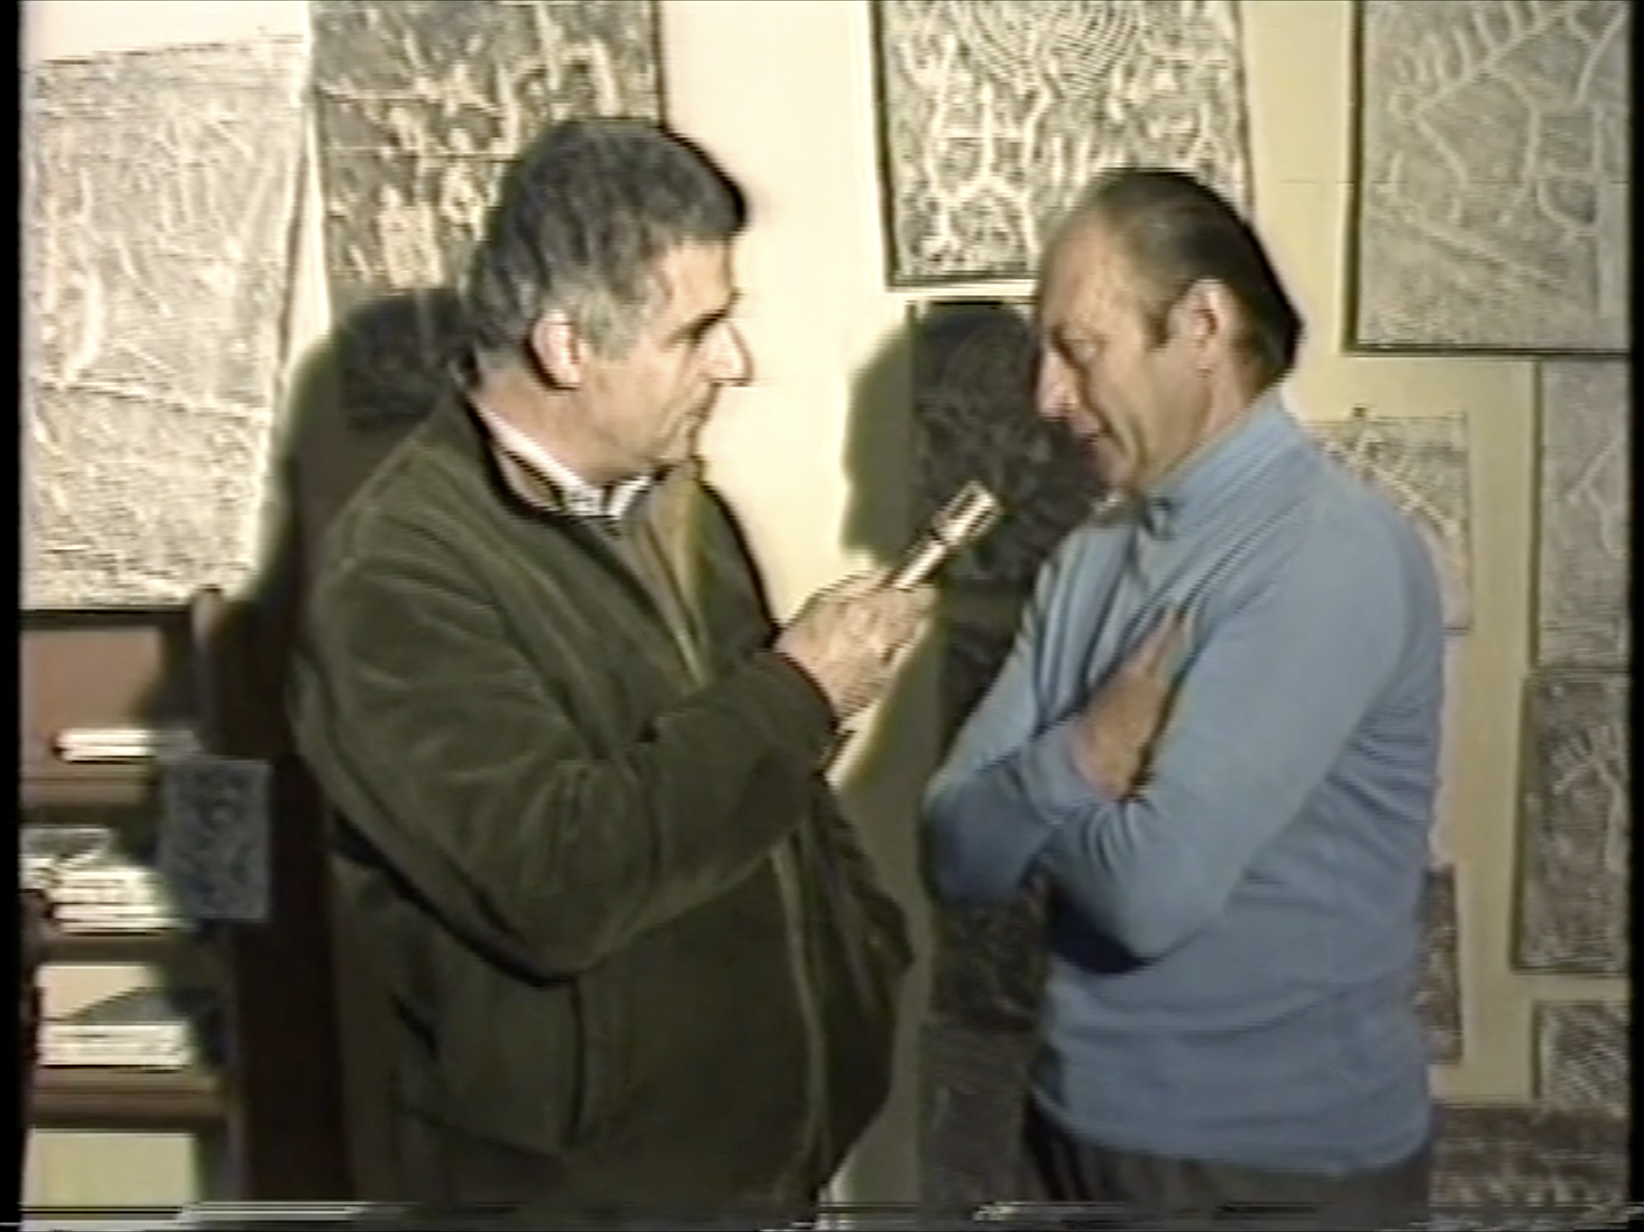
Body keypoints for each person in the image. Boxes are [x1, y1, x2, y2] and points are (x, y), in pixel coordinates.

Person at [288, 117, 932, 1210]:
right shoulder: (394, 577)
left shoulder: (678, 505)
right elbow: (554, 883)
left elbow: (764, 790)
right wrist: (803, 690)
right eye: (698, 332)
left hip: (763, 1169)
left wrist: (864, 954)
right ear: (566, 349)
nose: (735, 363)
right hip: (591, 1201)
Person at [922, 167, 1442, 1227]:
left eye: (1079, 348)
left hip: (1270, 1174)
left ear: (1202, 326)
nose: (1047, 397)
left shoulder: (1326, 553)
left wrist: (1030, 799)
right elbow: (953, 847)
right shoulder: (1092, 555)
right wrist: (1084, 754)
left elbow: (1147, 893)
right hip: (1070, 1131)